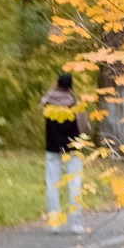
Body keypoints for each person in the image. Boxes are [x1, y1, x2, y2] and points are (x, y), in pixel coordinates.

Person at [42, 72, 86, 233]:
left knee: (52, 184)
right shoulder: (75, 103)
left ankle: (55, 223)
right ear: (70, 85)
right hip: (73, 149)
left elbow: (42, 109)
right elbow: (84, 128)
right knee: (75, 185)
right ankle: (76, 224)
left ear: (58, 83)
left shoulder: (48, 102)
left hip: (52, 148)